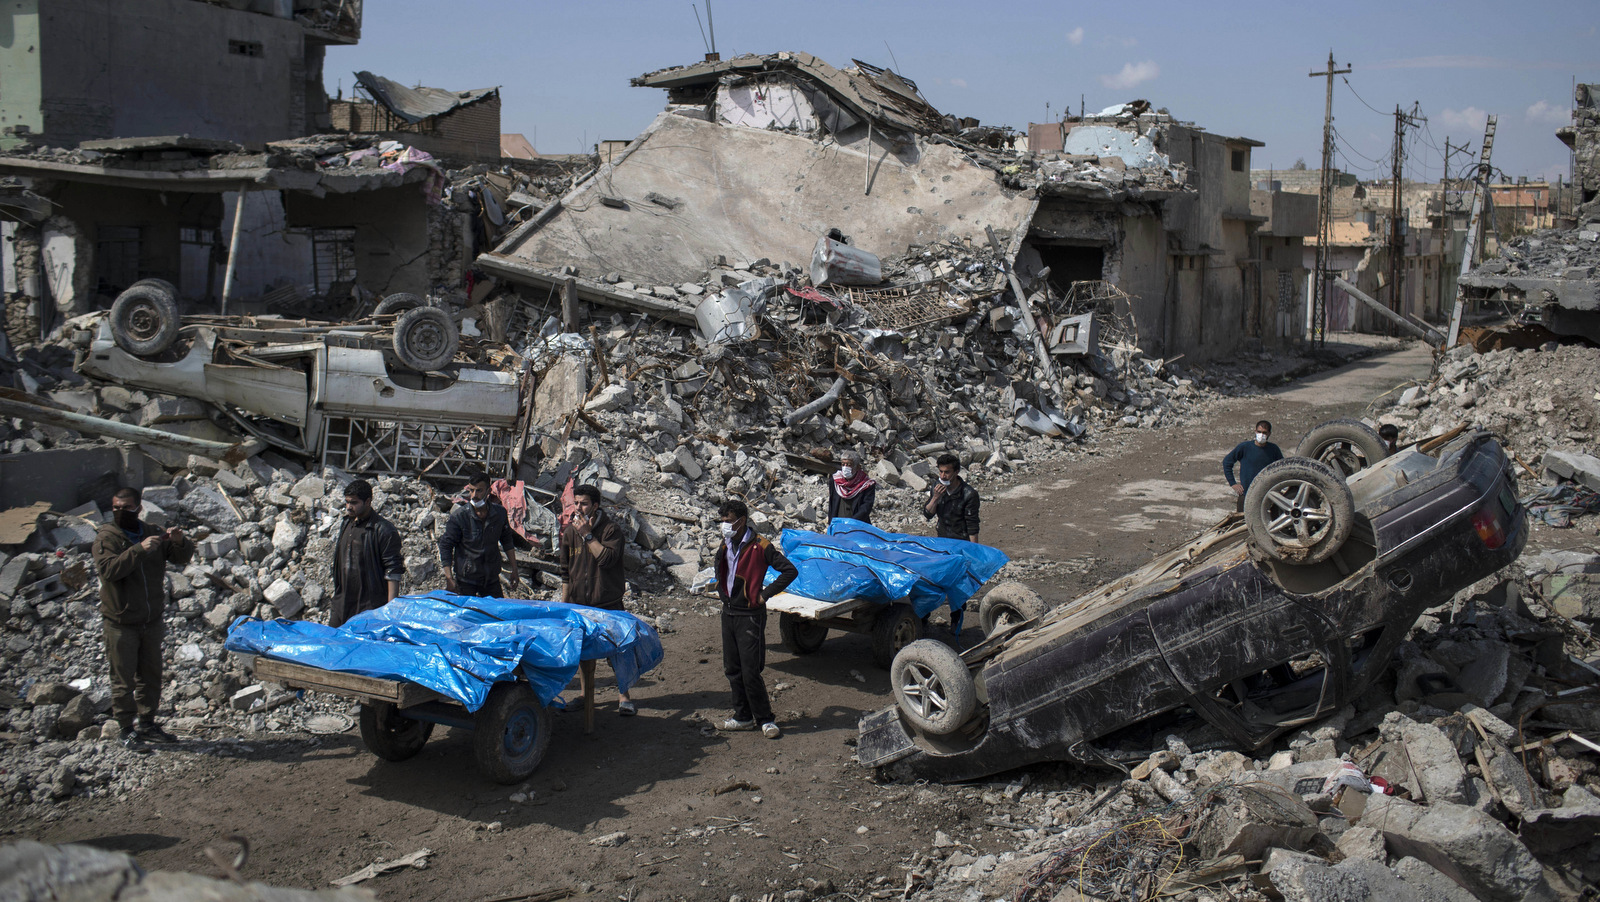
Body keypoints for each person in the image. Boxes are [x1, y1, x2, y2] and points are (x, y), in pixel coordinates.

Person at [92, 487, 194, 747]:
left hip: (150, 620)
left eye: (126, 507)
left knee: (150, 675)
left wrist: (180, 541)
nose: (120, 512)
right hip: (121, 621)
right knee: (122, 679)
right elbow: (109, 571)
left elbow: (180, 557)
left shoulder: (150, 531)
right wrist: (138, 550)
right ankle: (126, 729)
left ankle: (147, 723)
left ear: (138, 508)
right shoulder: (107, 537)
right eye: (116, 507)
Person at [714, 499, 797, 739]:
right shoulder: (726, 544)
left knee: (751, 670)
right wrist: (721, 590)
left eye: (728, 521)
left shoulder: (761, 546)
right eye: (722, 521)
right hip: (729, 613)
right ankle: (742, 716)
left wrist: (764, 595)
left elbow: (789, 570)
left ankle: (765, 719)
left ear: (741, 521)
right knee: (732, 668)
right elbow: (721, 569)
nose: (724, 525)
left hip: (750, 616)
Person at [559, 484, 635, 715]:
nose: (579, 508)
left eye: (584, 503)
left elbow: (606, 560)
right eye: (576, 503)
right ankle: (584, 694)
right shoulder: (570, 532)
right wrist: (564, 605)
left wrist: (588, 535)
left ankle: (624, 697)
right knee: (583, 653)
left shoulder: (610, 530)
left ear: (595, 506)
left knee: (617, 651)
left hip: (607, 603)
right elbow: (565, 570)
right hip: (580, 603)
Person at [330, 479, 404, 628]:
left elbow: (393, 571)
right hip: (342, 600)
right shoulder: (346, 523)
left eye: (354, 503)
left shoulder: (383, 530)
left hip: (368, 605)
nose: (348, 507)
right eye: (347, 502)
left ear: (368, 501)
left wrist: (388, 611)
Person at [439, 471, 518, 598]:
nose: (474, 495)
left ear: (488, 491)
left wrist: (514, 569)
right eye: (471, 491)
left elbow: (507, 541)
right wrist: (449, 578)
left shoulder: (499, 514)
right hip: (466, 581)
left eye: (479, 491)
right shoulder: (460, 516)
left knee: (495, 614)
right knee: (465, 615)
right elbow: (445, 546)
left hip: (491, 579)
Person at [1223, 420, 1285, 512]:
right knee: (1241, 522)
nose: (1261, 435)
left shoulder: (1273, 449)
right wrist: (1233, 483)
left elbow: (1282, 468)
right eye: (1259, 432)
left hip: (1267, 495)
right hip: (1246, 494)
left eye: (1264, 432)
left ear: (1269, 434)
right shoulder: (1244, 447)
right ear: (1255, 431)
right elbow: (1227, 462)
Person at [923, 453, 981, 541]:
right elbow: (928, 514)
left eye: (947, 472)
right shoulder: (937, 487)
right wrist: (935, 498)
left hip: (961, 540)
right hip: (943, 538)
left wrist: (973, 550)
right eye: (941, 471)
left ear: (956, 472)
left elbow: (972, 526)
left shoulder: (968, 494)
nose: (942, 476)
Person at [826, 449, 877, 525]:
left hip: (857, 525)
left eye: (849, 465)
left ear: (857, 467)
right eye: (843, 464)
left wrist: (852, 523)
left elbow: (866, 507)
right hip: (838, 524)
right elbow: (832, 504)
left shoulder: (866, 485)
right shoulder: (835, 481)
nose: (845, 467)